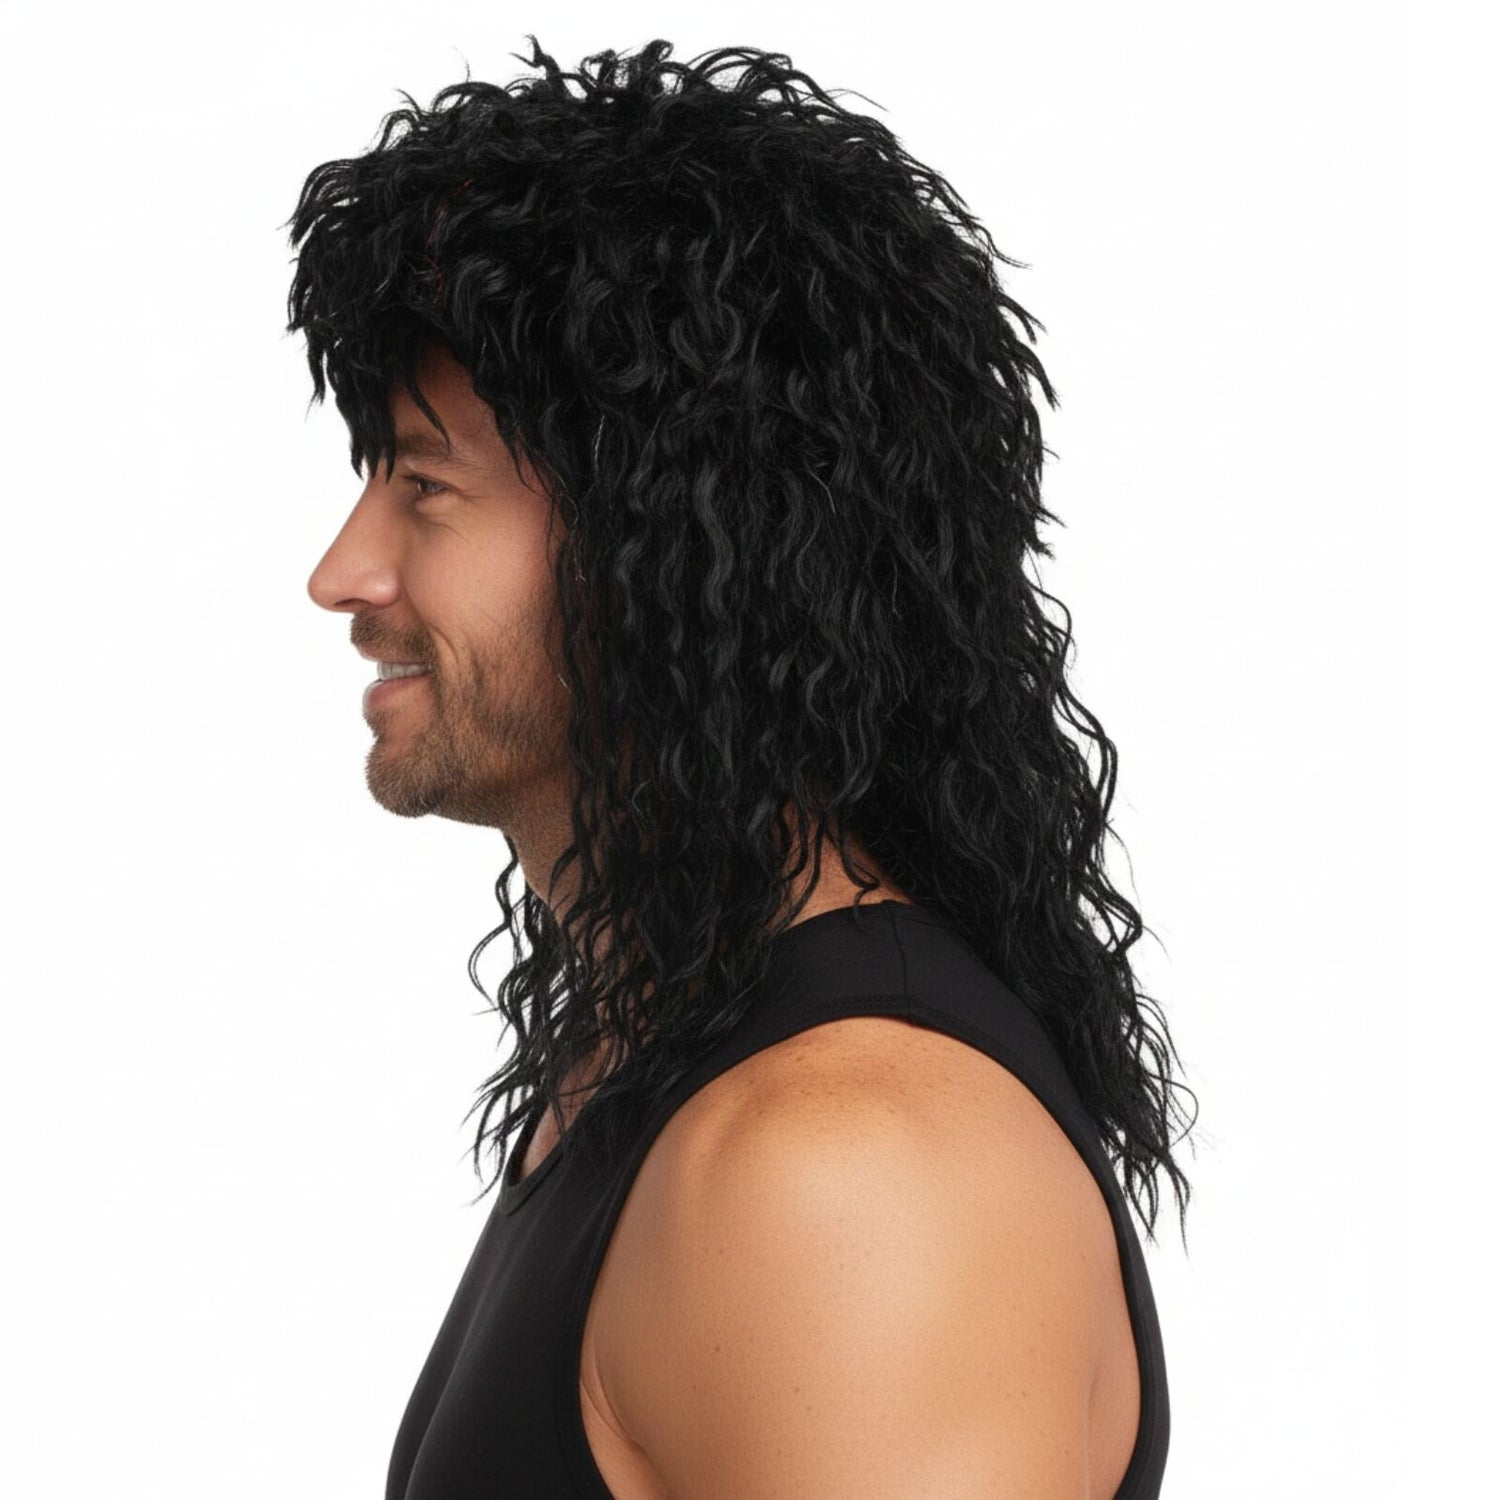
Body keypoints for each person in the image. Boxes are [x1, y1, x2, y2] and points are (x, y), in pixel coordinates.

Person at [292, 36, 1195, 1499]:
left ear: (671, 546)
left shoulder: (848, 1164)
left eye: (427, 488)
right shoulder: (667, 1054)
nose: (344, 573)